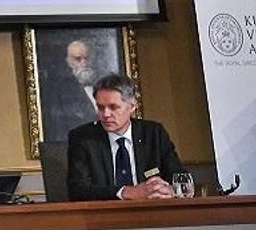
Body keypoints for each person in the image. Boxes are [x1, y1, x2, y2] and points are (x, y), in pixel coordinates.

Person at [67, 73, 185, 201]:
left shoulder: (154, 133)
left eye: (113, 107)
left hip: (152, 213)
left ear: (132, 106)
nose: (105, 114)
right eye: (101, 108)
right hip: (103, 216)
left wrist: (171, 190)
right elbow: (77, 191)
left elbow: (180, 178)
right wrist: (126, 192)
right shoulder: (82, 138)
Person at [41, 40, 98, 142]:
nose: (84, 63)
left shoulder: (105, 85)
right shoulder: (60, 92)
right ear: (68, 61)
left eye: (87, 58)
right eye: (78, 59)